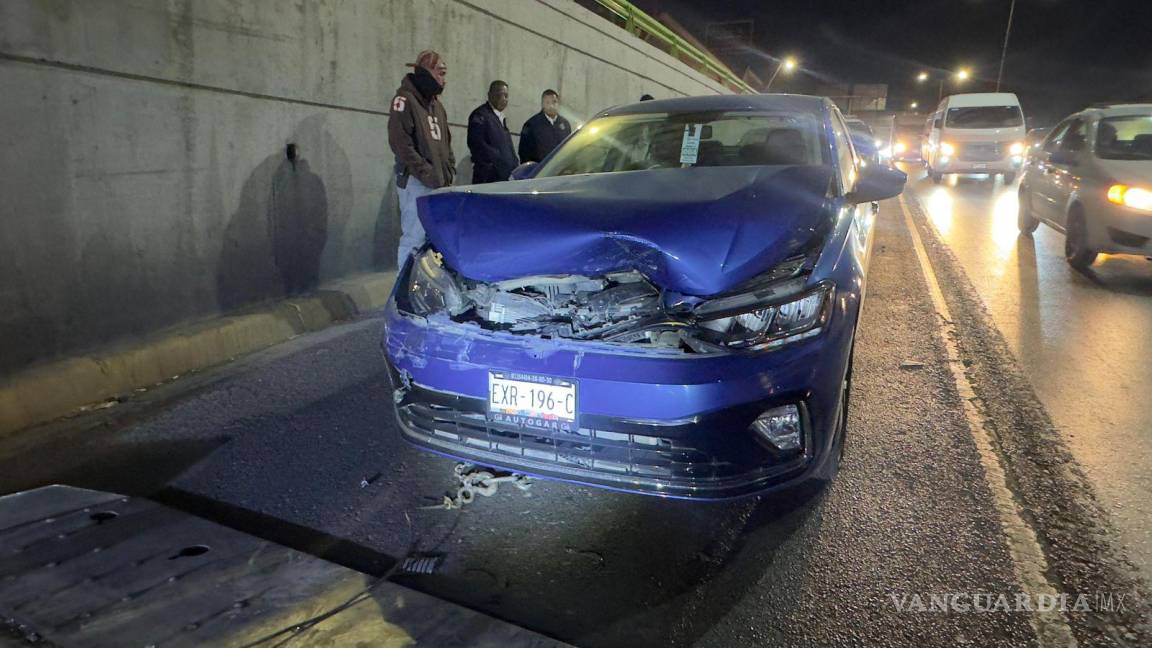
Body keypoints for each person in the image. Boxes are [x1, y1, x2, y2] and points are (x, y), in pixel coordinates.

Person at [388, 49, 455, 269]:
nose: (443, 80)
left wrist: (448, 170)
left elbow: (446, 141)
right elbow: (401, 144)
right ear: (426, 73)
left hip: (436, 183)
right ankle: (402, 296)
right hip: (416, 183)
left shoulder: (436, 106)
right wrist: (427, 173)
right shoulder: (404, 100)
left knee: (433, 242)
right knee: (413, 239)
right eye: (440, 73)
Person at [467, 80, 519, 183]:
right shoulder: (480, 115)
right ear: (490, 95)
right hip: (488, 178)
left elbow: (507, 148)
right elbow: (477, 145)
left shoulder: (500, 118)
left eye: (506, 96)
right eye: (500, 94)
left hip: (505, 178)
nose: (504, 99)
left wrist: (514, 164)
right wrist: (499, 164)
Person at [518, 89, 572, 163]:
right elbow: (523, 153)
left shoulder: (565, 124)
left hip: (560, 171)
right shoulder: (531, 125)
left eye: (554, 102)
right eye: (547, 103)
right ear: (542, 104)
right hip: (540, 171)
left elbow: (569, 149)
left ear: (558, 103)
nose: (551, 106)